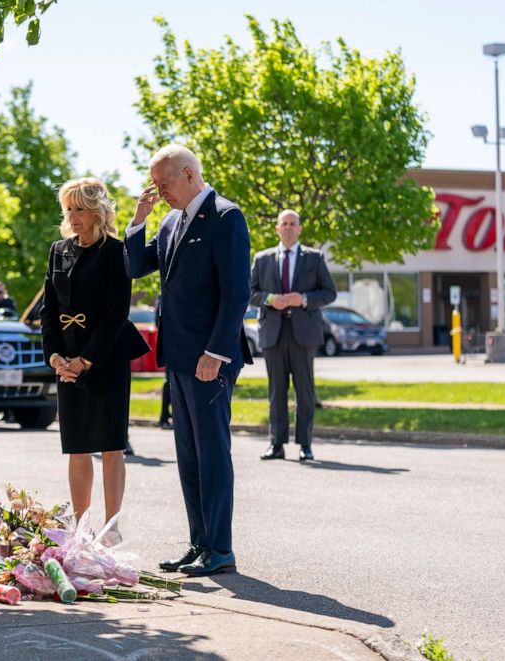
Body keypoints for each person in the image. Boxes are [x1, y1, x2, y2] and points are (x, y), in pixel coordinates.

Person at [124, 144, 252, 577]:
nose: (159, 192)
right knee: (189, 456)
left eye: (164, 183)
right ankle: (199, 544)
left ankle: (221, 549)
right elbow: (135, 265)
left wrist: (216, 352)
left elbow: (237, 293)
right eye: (155, 185)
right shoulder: (170, 219)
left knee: (212, 453)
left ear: (189, 174)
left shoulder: (225, 216)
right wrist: (138, 221)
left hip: (209, 358)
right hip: (179, 357)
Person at [40, 177, 149, 526]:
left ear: (98, 212)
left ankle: (111, 526)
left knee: (110, 444)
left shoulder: (117, 252)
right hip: (66, 359)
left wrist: (85, 360)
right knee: (77, 444)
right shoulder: (59, 250)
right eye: (68, 208)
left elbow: (118, 312)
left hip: (106, 358)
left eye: (80, 209)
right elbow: (48, 309)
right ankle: (81, 525)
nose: (73, 216)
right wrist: (56, 358)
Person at [250, 210, 337, 462]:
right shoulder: (262, 258)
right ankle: (276, 444)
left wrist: (305, 299)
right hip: (273, 334)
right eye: (283, 224)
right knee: (276, 392)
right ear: (277, 229)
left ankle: (305, 445)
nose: (288, 228)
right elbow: (249, 291)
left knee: (305, 392)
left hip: (303, 334)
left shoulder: (314, 258)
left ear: (300, 228)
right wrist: (269, 299)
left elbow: (329, 293)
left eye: (292, 224)